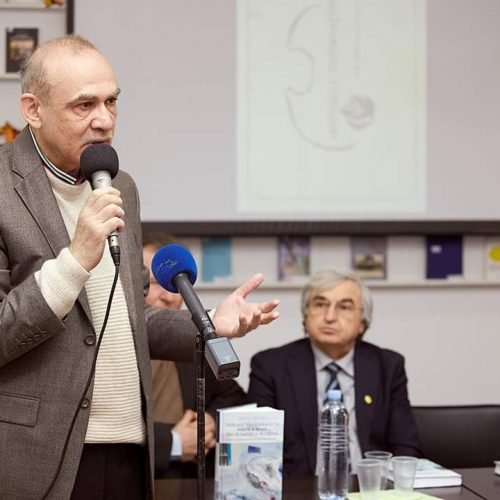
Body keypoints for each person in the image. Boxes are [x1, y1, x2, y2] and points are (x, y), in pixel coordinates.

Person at [0, 34, 279, 499]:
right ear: (33, 109)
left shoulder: (120, 186)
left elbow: (131, 318)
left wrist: (209, 323)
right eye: (84, 105)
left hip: (132, 449)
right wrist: (75, 259)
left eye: (111, 101)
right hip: (38, 456)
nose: (104, 120)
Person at [247, 268, 420, 477]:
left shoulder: (388, 366)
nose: (329, 317)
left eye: (344, 307)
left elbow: (405, 447)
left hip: (369, 486)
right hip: (298, 488)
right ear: (306, 315)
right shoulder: (270, 366)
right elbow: (257, 450)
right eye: (320, 305)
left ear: (362, 322)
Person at [142, 232, 246, 478]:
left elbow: (233, 398)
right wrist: (173, 442)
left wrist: (210, 422)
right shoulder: (108, 342)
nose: (169, 297)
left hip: (184, 482)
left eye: (176, 286)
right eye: (155, 283)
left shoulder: (191, 343)